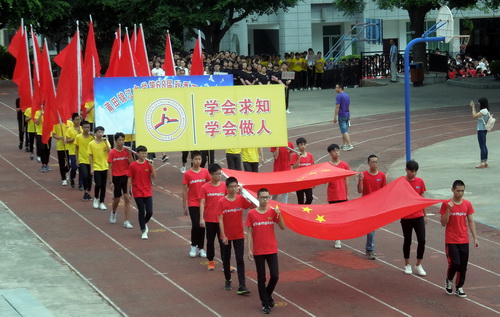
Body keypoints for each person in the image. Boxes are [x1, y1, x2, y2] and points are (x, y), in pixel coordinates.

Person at [246, 188, 286, 314]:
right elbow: (249, 232)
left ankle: (267, 295)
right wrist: (249, 249)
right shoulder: (252, 214)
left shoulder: (273, 212)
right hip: (259, 250)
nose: (265, 200)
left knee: (275, 275)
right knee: (261, 277)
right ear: (258, 198)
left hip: (271, 248)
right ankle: (265, 303)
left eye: (267, 197)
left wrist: (279, 214)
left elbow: (283, 227)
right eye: (263, 197)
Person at [440, 180, 479, 298]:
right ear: (452, 190)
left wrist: (475, 238)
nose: (460, 193)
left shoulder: (467, 204)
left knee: (463, 265)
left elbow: (471, 221)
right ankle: (449, 280)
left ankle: (459, 287)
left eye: (462, 191)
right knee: (455, 263)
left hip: (464, 239)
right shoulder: (447, 204)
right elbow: (443, 223)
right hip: (451, 239)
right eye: (458, 191)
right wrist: (447, 210)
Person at [218, 177, 254, 294]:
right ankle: (227, 279)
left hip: (239, 234)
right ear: (227, 188)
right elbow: (220, 219)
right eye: (231, 187)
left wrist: (245, 193)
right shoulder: (221, 202)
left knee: (240, 259)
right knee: (226, 258)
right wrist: (223, 235)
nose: (233, 189)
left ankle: (242, 285)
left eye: (235, 186)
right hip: (226, 235)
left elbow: (253, 206)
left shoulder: (240, 199)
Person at [357, 155, 387, 260]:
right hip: (366, 205)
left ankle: (369, 248)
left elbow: (384, 192)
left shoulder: (382, 176)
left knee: (372, 228)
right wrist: (361, 180)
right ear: (368, 163)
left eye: (376, 162)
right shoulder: (364, 175)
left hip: (377, 206)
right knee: (371, 228)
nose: (375, 164)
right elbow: (360, 191)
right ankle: (370, 249)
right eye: (372, 162)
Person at [401, 160, 427, 276]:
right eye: (411, 171)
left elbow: (422, 197)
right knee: (408, 240)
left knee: (422, 240)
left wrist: (425, 214)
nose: (414, 173)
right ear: (406, 170)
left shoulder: (420, 182)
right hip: (406, 217)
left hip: (418, 215)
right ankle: (407, 264)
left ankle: (418, 264)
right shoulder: (401, 182)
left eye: (415, 171)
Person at [199, 163, 227, 271]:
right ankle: (211, 261)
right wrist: (201, 218)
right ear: (211, 174)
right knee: (210, 241)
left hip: (222, 220)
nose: (219, 176)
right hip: (210, 219)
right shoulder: (205, 187)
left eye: (220, 174)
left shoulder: (224, 186)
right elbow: (202, 202)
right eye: (217, 174)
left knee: (223, 242)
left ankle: (226, 262)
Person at [183, 151, 210, 258]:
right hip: (193, 202)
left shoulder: (205, 172)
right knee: (196, 224)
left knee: (202, 225)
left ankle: (201, 248)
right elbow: (185, 190)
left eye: (199, 159)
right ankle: (193, 245)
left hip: (204, 203)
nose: (198, 161)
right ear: (192, 160)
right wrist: (184, 206)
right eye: (196, 159)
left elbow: (211, 185)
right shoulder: (188, 174)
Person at [126, 145, 156, 240]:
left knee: (150, 211)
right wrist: (128, 191)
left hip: (147, 190)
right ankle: (143, 230)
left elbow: (154, 176)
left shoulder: (148, 164)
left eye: (145, 153)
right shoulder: (133, 165)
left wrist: (152, 165)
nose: (144, 155)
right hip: (137, 190)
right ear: (138, 154)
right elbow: (130, 178)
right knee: (141, 210)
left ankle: (144, 222)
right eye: (142, 153)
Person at [326, 144, 350, 249]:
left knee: (341, 217)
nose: (336, 153)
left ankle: (339, 235)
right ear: (330, 153)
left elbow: (347, 180)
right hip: (332, 195)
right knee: (334, 217)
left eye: (337, 151)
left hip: (342, 194)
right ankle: (337, 238)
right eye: (334, 151)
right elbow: (324, 179)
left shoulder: (344, 165)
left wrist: (347, 193)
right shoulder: (327, 166)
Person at [108, 132, 134, 228]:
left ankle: (126, 221)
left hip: (126, 177)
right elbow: (109, 168)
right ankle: (113, 212)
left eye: (123, 140)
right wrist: (110, 181)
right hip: (116, 177)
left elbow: (132, 164)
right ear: (115, 141)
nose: (122, 142)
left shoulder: (126, 151)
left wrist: (129, 153)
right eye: (119, 140)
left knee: (127, 198)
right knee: (117, 199)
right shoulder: (112, 152)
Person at [88, 126, 110, 210]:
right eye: (99, 132)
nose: (101, 134)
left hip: (105, 166)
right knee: (98, 184)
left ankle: (102, 202)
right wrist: (92, 167)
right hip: (96, 166)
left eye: (102, 132)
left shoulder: (105, 142)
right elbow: (90, 156)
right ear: (95, 133)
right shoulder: (91, 143)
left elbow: (110, 152)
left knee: (104, 185)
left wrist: (106, 143)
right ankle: (96, 198)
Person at [74, 120, 95, 201]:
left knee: (90, 177)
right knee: (85, 175)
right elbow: (76, 148)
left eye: (88, 127)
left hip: (91, 160)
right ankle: (85, 191)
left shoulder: (92, 137)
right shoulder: (78, 137)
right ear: (82, 128)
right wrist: (77, 159)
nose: (87, 129)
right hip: (82, 159)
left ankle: (88, 192)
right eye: (85, 127)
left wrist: (94, 135)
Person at [291, 137, 315, 204]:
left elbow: (312, 168)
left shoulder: (310, 155)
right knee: (300, 200)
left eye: (304, 144)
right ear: (298, 146)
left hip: (308, 181)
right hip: (299, 181)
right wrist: (299, 158)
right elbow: (294, 168)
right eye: (301, 145)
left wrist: (314, 181)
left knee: (310, 198)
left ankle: (305, 209)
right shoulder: (294, 156)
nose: (303, 146)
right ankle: (301, 212)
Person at [470, 97, 490, 168]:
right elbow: (476, 114)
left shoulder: (484, 111)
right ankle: (486, 162)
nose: (478, 103)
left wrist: (472, 107)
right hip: (484, 129)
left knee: (482, 146)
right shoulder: (486, 110)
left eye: (479, 102)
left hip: (481, 129)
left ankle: (482, 163)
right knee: (484, 145)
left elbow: (474, 115)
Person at [65, 113, 82, 189]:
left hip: (82, 152)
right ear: (73, 121)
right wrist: (76, 138)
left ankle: (80, 184)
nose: (78, 121)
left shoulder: (82, 129)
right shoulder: (70, 129)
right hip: (73, 151)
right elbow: (67, 140)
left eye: (79, 119)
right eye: (76, 120)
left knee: (82, 168)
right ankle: (72, 177)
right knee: (74, 167)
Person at [334, 84, 353, 151]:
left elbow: (337, 106)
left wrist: (335, 117)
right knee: (344, 130)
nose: (335, 89)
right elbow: (348, 105)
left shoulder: (338, 96)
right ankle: (344, 144)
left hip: (342, 115)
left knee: (344, 131)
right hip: (347, 114)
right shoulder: (347, 95)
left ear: (340, 88)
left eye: (336, 87)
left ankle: (349, 144)